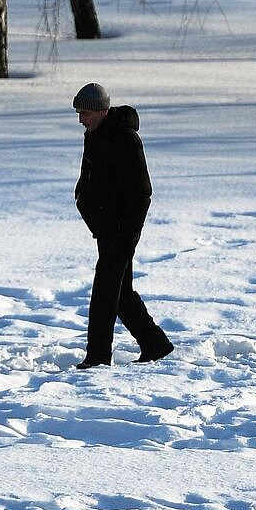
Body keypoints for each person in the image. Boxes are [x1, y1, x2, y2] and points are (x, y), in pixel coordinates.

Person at [71, 82, 174, 369]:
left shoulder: (126, 139)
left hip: (120, 232)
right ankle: (155, 344)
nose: (81, 119)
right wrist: (85, 204)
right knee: (120, 293)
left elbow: (142, 192)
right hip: (105, 229)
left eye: (85, 114)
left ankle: (98, 356)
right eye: (79, 113)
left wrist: (127, 233)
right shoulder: (94, 136)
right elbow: (88, 181)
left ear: (102, 111)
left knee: (104, 292)